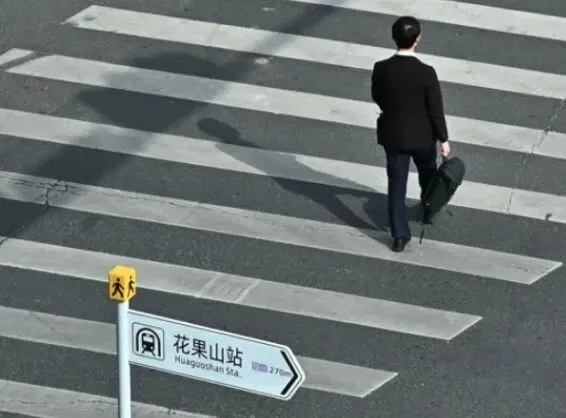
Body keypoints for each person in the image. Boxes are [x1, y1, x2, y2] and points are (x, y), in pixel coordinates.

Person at [371, 15, 451, 252]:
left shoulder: (381, 68)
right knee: (428, 173)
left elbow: (377, 96)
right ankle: (428, 208)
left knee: (397, 184)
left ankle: (399, 235)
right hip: (423, 137)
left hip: (394, 136)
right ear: (418, 39)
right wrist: (443, 139)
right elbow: (435, 109)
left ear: (393, 38)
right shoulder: (426, 72)